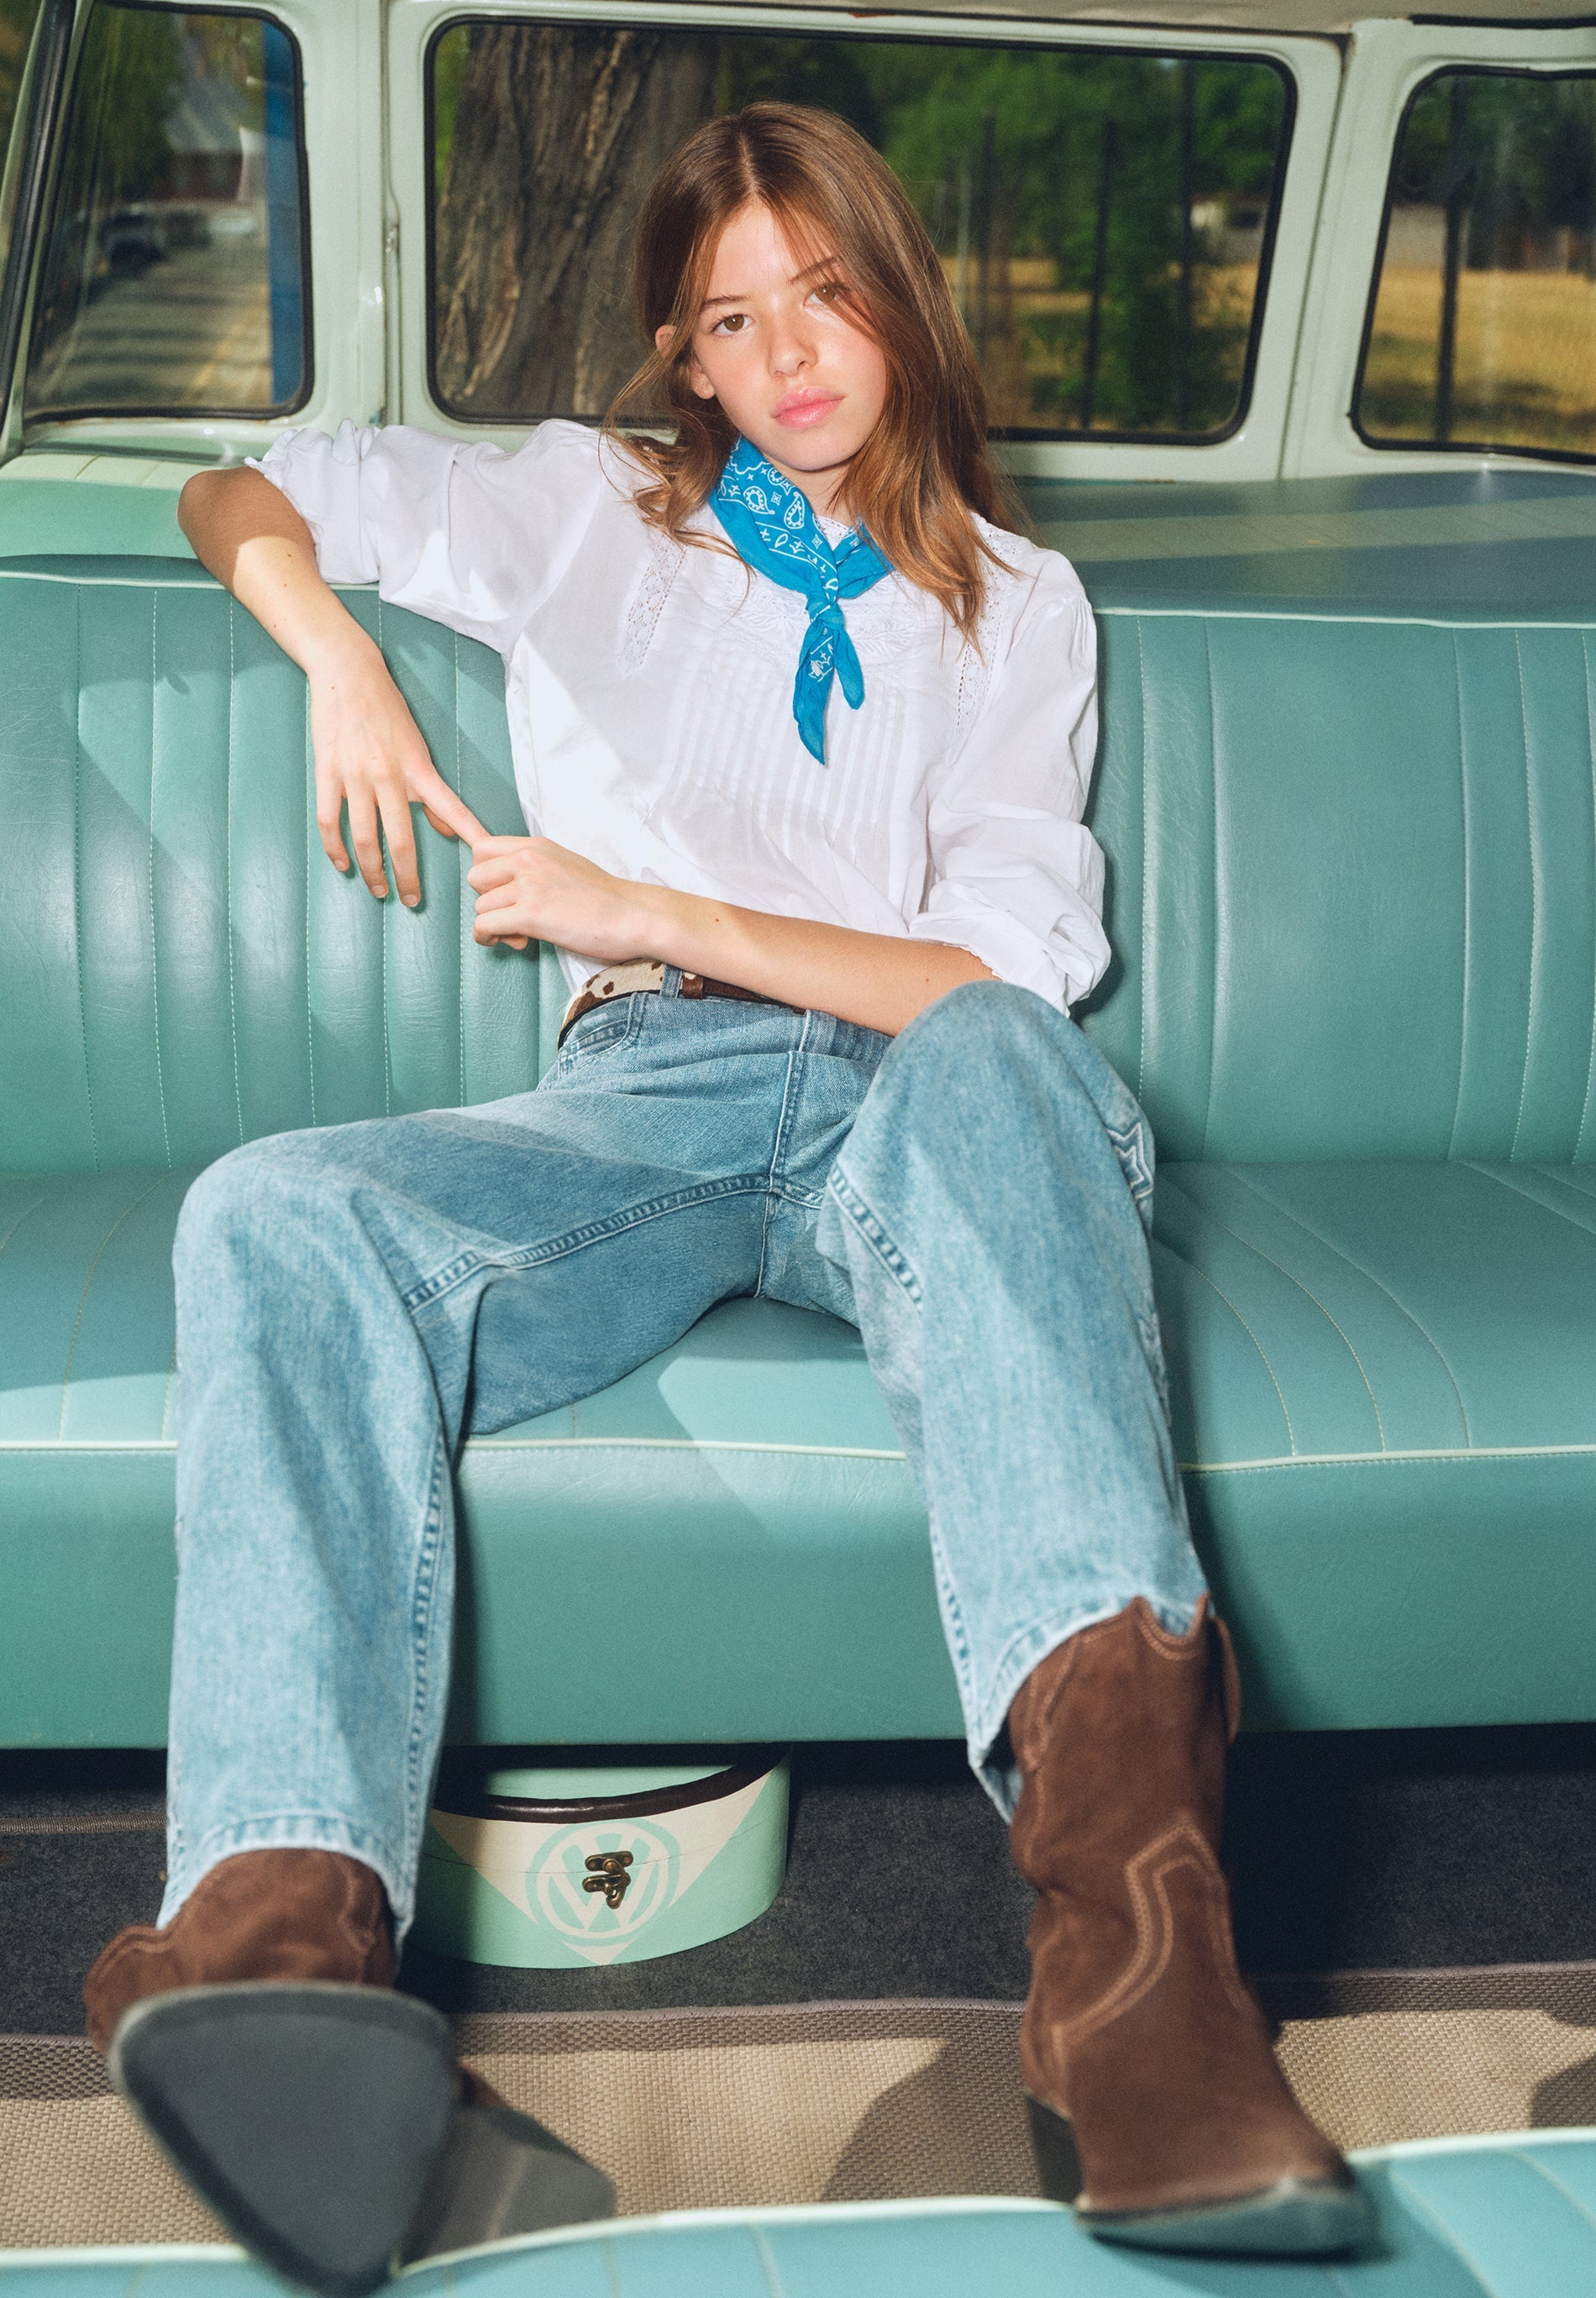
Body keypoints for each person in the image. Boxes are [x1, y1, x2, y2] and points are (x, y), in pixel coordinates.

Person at [82, 102, 1370, 2284]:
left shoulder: (1022, 607)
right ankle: (274, 1951)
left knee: (999, 1049)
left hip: (925, 1101)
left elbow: (989, 982)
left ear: (900, 300)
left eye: (827, 296)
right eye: (731, 319)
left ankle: (1141, 1979)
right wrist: (339, 658)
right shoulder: (587, 508)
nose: (789, 357)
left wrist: (651, 905)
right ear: (681, 352)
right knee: (271, 1213)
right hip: (645, 1106)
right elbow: (243, 488)